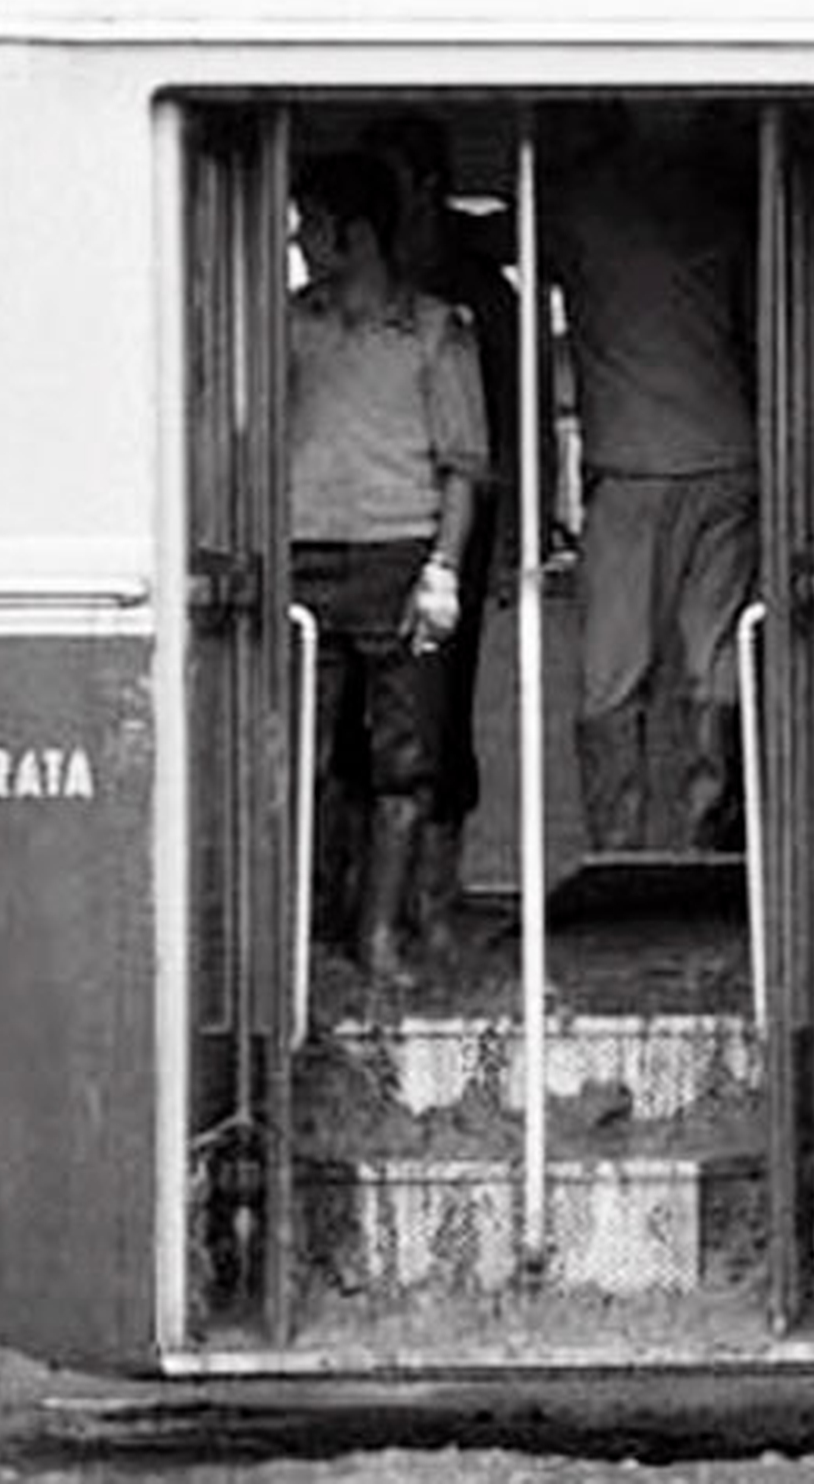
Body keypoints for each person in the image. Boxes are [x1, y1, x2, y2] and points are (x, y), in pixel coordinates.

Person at [288, 149, 488, 987]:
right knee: (304, 753)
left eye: (311, 225)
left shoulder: (438, 329)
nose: (300, 239)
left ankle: (378, 936)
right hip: (300, 562)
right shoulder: (289, 321)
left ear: (354, 232)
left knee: (403, 760)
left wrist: (443, 567)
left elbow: (465, 468)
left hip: (400, 557)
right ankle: (305, 934)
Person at [544, 102, 759, 854]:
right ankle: (708, 838)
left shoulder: (574, 201)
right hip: (731, 454)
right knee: (714, 656)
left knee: (613, 665)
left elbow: (488, 244)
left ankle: (619, 848)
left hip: (632, 464)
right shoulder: (729, 202)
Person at [359, 114, 534, 958]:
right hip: (361, 525)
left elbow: (509, 422)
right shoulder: (337, 305)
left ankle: (433, 896)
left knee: (439, 718)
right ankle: (363, 901)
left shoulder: (473, 297)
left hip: (454, 522)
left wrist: (501, 546)